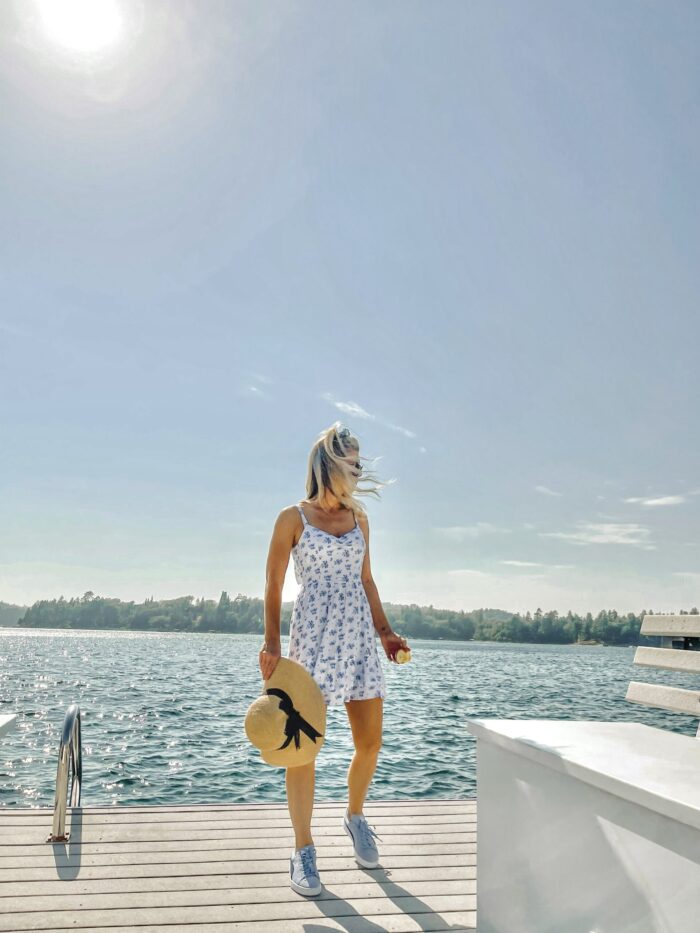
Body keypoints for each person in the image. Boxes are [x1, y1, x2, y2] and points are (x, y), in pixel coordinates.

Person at [260, 422, 410, 896]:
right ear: (329, 463)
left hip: (360, 638)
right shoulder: (293, 518)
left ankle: (355, 815)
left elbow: (367, 580)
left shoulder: (361, 519)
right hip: (313, 638)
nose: (360, 469)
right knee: (304, 747)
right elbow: (273, 584)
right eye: (352, 460)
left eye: (361, 461)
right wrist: (272, 646)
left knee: (370, 742)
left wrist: (385, 632)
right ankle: (303, 850)